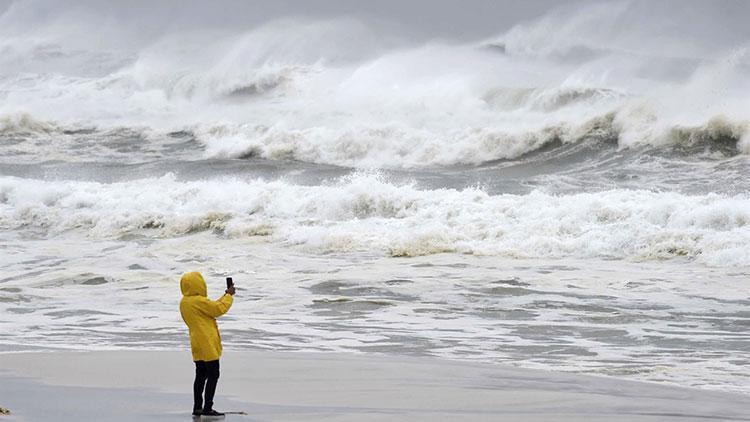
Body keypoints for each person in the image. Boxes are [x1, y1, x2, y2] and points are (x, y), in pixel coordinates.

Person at [179, 271, 235, 417]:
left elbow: (211, 307)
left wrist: (225, 295)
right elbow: (217, 309)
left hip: (196, 342)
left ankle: (197, 407)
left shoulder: (185, 302)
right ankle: (208, 407)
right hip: (207, 342)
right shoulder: (199, 301)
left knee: (200, 375)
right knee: (213, 374)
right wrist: (229, 296)